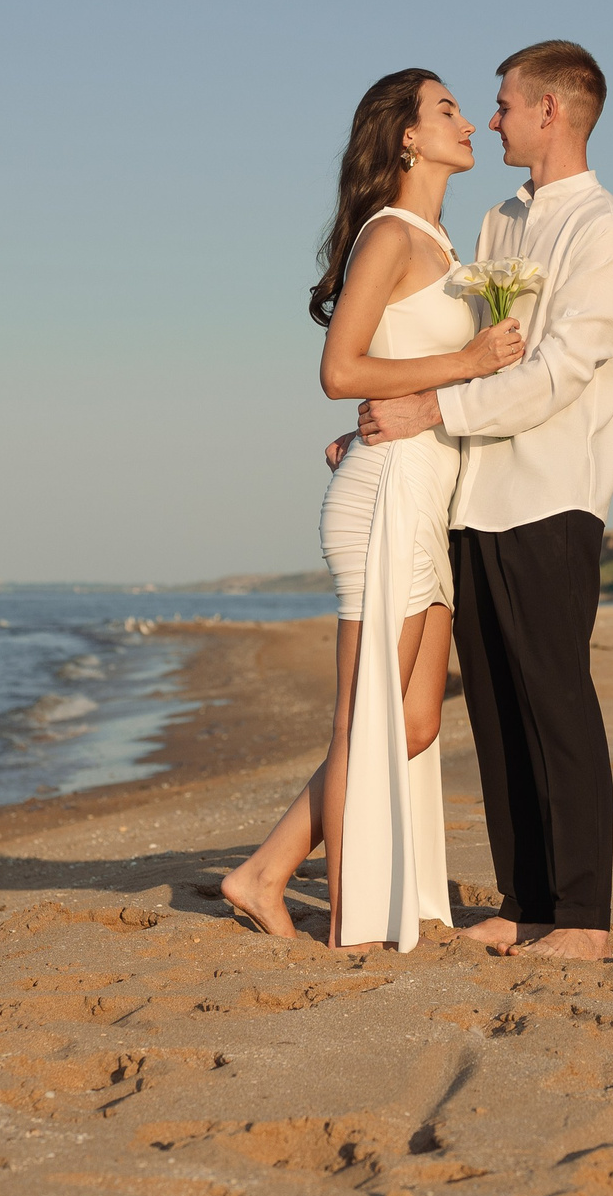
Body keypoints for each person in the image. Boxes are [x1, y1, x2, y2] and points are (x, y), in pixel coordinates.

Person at [218, 69, 525, 950]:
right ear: (405, 137)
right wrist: (464, 364)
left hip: (424, 498)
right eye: (447, 111)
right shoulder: (390, 235)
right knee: (366, 722)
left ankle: (264, 871)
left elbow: (403, 371)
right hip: (385, 496)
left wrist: (458, 372)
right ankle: (350, 924)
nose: (468, 122)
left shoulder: (444, 242)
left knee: (418, 720)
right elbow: (340, 372)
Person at [355, 40, 613, 961]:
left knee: (557, 702)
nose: (492, 119)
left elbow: (558, 371)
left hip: (553, 495)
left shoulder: (602, 229)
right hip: (473, 494)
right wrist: (402, 418)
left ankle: (585, 918)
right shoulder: (496, 223)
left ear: (551, 111)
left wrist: (431, 405)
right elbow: (472, 348)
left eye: (507, 104)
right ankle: (525, 901)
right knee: (494, 707)